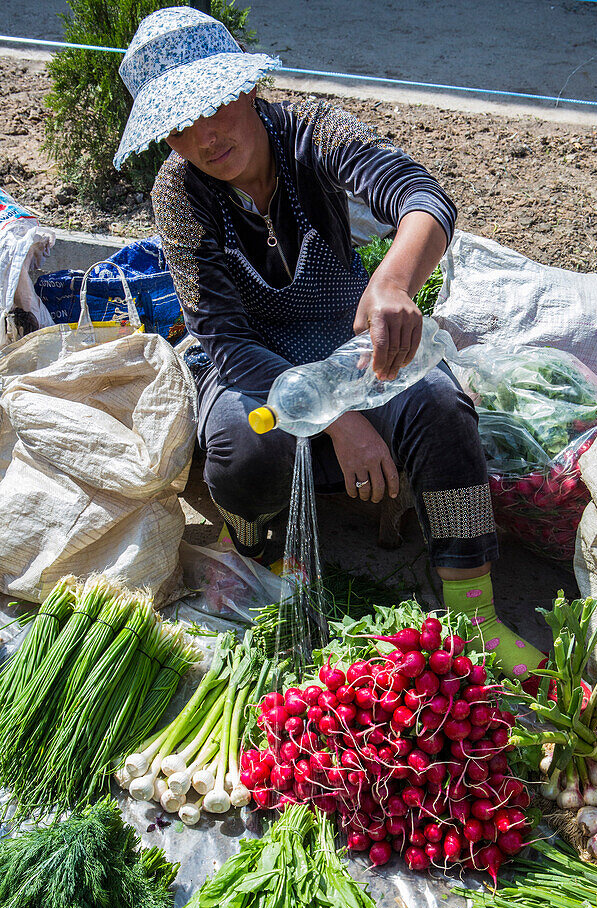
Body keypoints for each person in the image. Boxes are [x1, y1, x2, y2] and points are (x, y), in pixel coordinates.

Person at [114, 6, 544, 680]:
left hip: (346, 344)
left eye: (214, 107)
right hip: (253, 363)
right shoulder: (179, 191)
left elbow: (421, 193)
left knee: (442, 411)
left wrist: (395, 283)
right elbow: (222, 339)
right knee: (239, 447)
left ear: (245, 88)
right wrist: (339, 420)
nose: (205, 136)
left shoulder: (310, 130)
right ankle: (264, 561)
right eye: (179, 124)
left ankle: (472, 608)